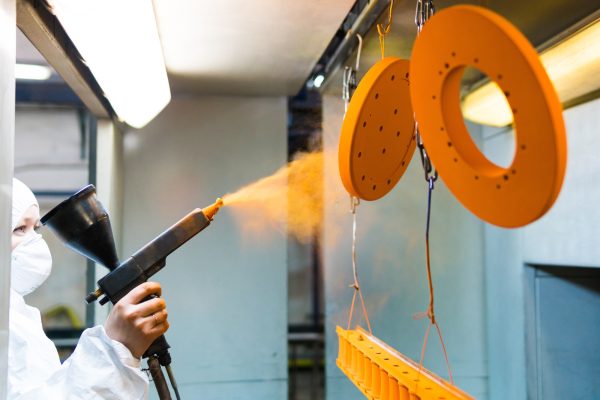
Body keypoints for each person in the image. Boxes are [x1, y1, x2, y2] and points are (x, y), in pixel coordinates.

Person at [8, 178, 170, 399]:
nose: (35, 241)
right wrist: (113, 350)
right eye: (19, 229)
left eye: (35, 228)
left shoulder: (18, 316)